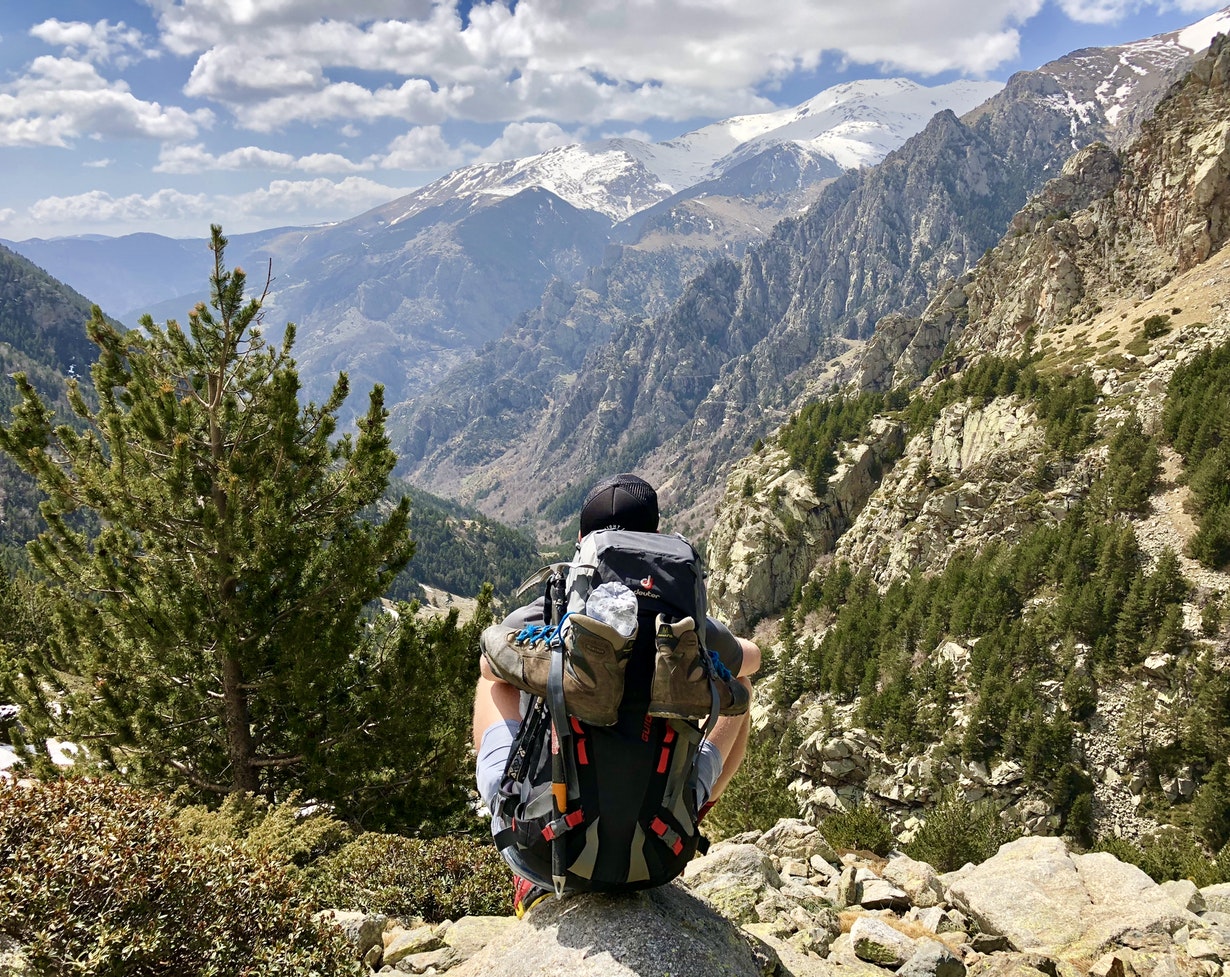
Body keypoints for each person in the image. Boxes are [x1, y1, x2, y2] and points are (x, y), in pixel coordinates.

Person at [471, 473, 761, 913]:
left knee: (493, 681)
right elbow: (752, 656)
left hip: (547, 853)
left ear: (583, 540)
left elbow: (489, 661)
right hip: (660, 855)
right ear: (657, 537)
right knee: (739, 686)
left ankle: (518, 811)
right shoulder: (681, 615)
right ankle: (685, 814)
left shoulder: (559, 601)